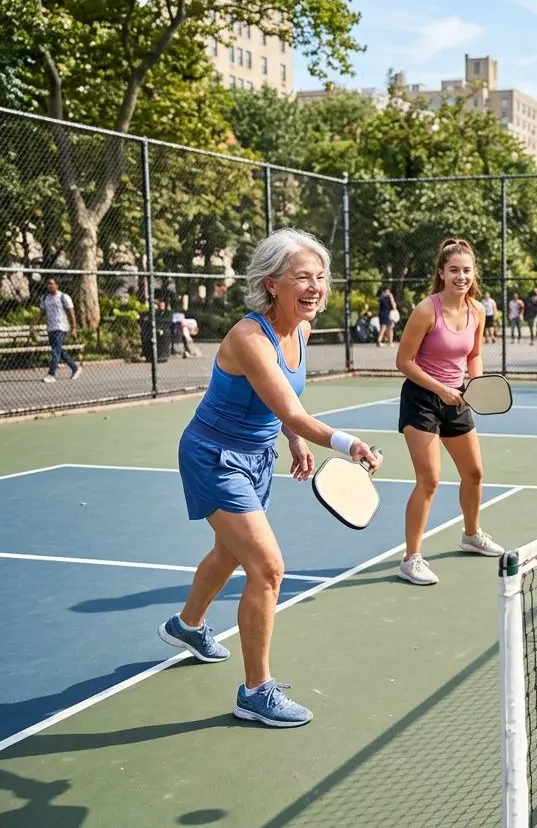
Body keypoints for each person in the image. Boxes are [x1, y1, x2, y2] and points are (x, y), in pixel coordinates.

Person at [159, 228, 380, 728]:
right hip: (213, 456)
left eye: (320, 277)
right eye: (303, 277)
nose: (315, 287)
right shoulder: (248, 337)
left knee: (229, 553)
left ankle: (186, 625)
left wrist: (294, 440)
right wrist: (347, 443)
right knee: (268, 567)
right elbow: (292, 409)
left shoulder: (299, 330)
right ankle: (255, 692)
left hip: (258, 456)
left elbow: (281, 403)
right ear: (271, 283)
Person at [394, 237, 504, 586]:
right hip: (422, 400)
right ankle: (411, 558)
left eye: (467, 270)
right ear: (441, 273)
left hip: (457, 398)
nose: (461, 276)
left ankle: (471, 535)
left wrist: (476, 385)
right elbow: (404, 361)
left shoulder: (478, 311)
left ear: (474, 273)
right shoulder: (426, 310)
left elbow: (474, 354)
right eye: (454, 270)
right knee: (430, 479)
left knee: (474, 473)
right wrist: (442, 389)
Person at [38, 277, 82, 383]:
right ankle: (75, 368)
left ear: (57, 285)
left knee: (55, 351)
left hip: (61, 327)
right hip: (51, 328)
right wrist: (33, 324)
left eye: (52, 284)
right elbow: (41, 312)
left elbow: (71, 313)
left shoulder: (64, 297)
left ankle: (51, 374)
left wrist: (74, 328)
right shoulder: (45, 298)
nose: (50, 286)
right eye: (48, 284)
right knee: (58, 350)